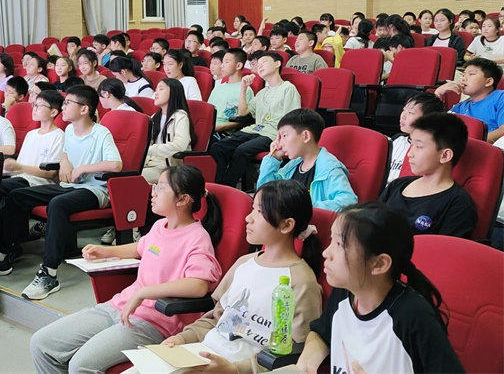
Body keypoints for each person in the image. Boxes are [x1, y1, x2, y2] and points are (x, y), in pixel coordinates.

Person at [30, 165, 223, 372]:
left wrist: (144, 292)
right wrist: (105, 251)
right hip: (121, 305)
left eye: (160, 187)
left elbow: (198, 285)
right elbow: (141, 248)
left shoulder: (197, 238)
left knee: (81, 365)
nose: (153, 192)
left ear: (183, 199)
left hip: (154, 321)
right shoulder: (160, 226)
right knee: (41, 344)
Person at [163, 180, 323, 373]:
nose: (248, 218)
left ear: (286, 225)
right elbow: (217, 319)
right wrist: (182, 338)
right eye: (252, 209)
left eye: (259, 212)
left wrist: (234, 369)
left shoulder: (302, 282)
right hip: (203, 354)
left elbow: (293, 355)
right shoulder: (244, 263)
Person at [296, 201, 464, 374]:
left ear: (379, 264)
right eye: (332, 240)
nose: (326, 253)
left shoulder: (414, 316)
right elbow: (322, 333)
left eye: (340, 245)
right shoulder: (345, 291)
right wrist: (308, 360)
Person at [4, 85, 123, 299]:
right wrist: (65, 163)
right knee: (17, 196)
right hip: (69, 186)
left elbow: (116, 165)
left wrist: (83, 169)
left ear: (84, 109)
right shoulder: (69, 130)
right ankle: (5, 250)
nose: (63, 107)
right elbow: (66, 153)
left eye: (68, 103)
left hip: (95, 189)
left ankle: (49, 273)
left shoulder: (100, 132)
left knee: (57, 204)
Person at [0, 90, 66, 275]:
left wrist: (18, 167)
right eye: (34, 105)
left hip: (39, 182)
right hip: (20, 178)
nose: (34, 109)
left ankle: (4, 248)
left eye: (39, 106)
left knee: (0, 190)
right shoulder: (31, 134)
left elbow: (50, 173)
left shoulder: (59, 136)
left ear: (53, 112)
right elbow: (19, 167)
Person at [211, 52, 301, 188]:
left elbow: (293, 120)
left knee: (242, 150)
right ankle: (218, 185)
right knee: (218, 147)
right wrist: (243, 87)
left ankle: (225, 187)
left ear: (277, 64)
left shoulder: (288, 88)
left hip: (272, 133)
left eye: (264, 62)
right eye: (258, 65)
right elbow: (243, 113)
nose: (260, 66)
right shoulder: (262, 92)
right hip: (254, 130)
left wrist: (282, 140)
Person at [379, 113, 477, 237]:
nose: (410, 154)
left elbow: (446, 247)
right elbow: (371, 222)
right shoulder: (398, 184)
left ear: (445, 155)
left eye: (419, 146)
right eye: (411, 145)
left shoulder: (458, 203)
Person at [258, 108, 357, 211]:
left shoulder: (329, 168)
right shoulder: (292, 167)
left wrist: (306, 208)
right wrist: (273, 158)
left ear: (305, 136)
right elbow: (265, 195)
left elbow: (348, 201)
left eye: (284, 136)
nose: (280, 142)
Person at [434, 58, 504, 143]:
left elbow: (502, 131)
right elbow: (436, 126)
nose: (463, 79)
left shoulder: (500, 97)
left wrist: (469, 145)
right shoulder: (461, 106)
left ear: (488, 82)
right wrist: (438, 93)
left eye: (471, 74)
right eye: (463, 75)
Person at [142, 78, 195, 184]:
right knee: (123, 173)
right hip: (149, 163)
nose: (156, 93)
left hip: (168, 167)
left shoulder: (180, 117)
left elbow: (180, 145)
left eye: (161, 89)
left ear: (173, 92)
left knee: (132, 178)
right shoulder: (155, 117)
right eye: (156, 89)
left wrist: (151, 149)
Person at [388, 93, 446, 183]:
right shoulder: (396, 140)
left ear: (428, 119)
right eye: (404, 110)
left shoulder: (431, 150)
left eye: (410, 113)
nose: (403, 116)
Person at [208, 48, 254, 135]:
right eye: (222, 62)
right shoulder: (218, 88)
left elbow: (244, 120)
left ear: (238, 66)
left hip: (222, 133)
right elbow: (208, 112)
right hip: (208, 127)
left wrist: (217, 128)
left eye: (226, 62)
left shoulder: (245, 89)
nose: (222, 66)